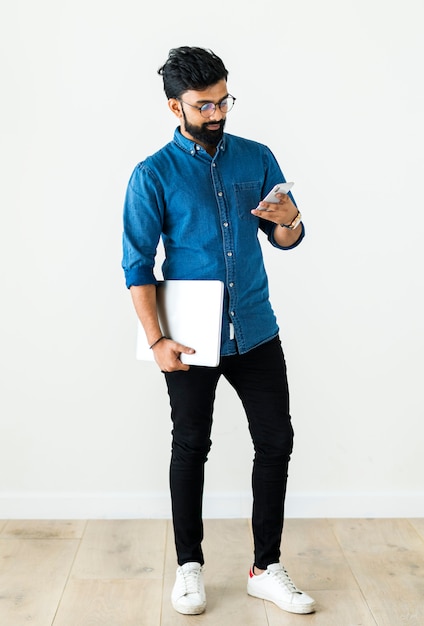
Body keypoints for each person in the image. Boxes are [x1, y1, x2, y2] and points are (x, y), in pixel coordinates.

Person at [121, 46, 315, 616]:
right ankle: (189, 568)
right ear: (173, 107)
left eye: (224, 100)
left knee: (276, 440)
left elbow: (286, 239)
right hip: (190, 336)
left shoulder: (257, 158)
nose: (217, 112)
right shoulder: (151, 175)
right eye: (203, 105)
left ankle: (266, 566)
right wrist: (157, 341)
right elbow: (137, 267)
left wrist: (291, 223)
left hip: (255, 328)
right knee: (191, 446)